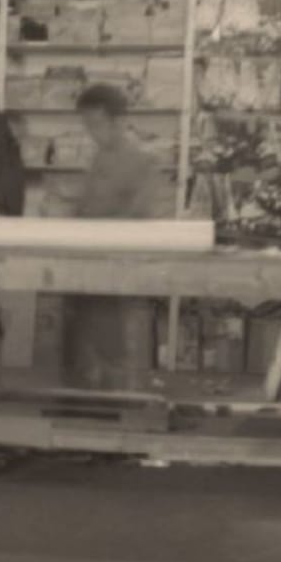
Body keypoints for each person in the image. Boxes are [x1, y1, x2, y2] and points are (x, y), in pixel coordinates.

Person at [64, 83, 163, 389]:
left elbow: (143, 216)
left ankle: (118, 398)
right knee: (84, 350)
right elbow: (87, 206)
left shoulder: (143, 159)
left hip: (121, 270)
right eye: (87, 125)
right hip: (90, 266)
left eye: (96, 124)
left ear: (119, 121)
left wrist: (98, 229)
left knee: (118, 352)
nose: (92, 133)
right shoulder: (100, 157)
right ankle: (88, 398)